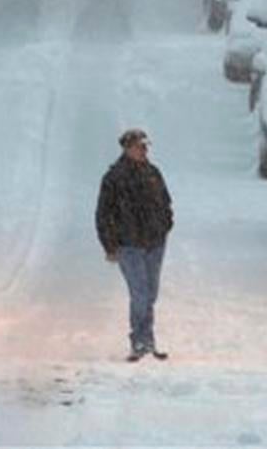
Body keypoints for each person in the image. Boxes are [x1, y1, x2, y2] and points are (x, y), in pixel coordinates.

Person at [95, 127, 174, 362]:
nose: (144, 150)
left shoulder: (153, 173)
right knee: (140, 293)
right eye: (140, 146)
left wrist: (164, 226)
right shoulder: (114, 178)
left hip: (155, 244)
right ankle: (139, 340)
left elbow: (166, 203)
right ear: (128, 148)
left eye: (146, 146)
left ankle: (148, 340)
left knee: (150, 293)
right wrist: (109, 245)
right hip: (129, 245)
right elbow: (103, 214)